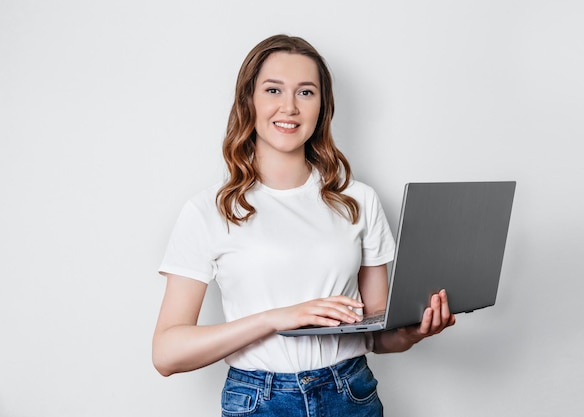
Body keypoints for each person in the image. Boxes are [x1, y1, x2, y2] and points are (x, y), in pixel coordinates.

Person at [152, 34, 455, 417]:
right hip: (259, 401)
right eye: (273, 89)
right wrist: (278, 318)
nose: (289, 107)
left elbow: (376, 335)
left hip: (351, 394)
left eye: (306, 92)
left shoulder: (358, 200)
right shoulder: (209, 210)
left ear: (322, 106)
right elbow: (167, 353)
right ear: (249, 100)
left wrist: (412, 332)